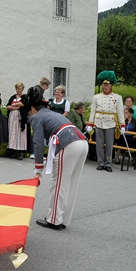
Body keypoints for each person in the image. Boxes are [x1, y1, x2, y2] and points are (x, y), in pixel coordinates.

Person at [27, 85, 88, 231]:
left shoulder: (36, 117)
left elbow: (38, 142)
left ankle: (54, 220)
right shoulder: (52, 113)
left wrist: (38, 166)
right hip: (82, 141)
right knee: (71, 182)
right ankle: (63, 219)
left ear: (33, 108)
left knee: (59, 183)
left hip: (68, 143)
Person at [86, 71, 125, 172]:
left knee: (109, 144)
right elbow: (93, 111)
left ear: (111, 86)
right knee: (99, 144)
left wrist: (122, 125)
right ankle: (100, 162)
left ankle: (108, 163)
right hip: (99, 121)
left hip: (110, 122)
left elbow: (120, 112)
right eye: (104, 85)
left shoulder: (117, 97)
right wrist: (91, 123)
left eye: (107, 85)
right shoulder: (96, 97)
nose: (106, 87)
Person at [6, 82, 26, 160]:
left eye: (20, 89)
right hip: (12, 117)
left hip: (21, 117)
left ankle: (20, 152)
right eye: (18, 89)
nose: (19, 90)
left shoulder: (24, 97)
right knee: (13, 133)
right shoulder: (13, 97)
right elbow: (8, 106)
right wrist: (15, 107)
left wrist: (14, 105)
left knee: (20, 133)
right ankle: (12, 150)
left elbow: (23, 104)